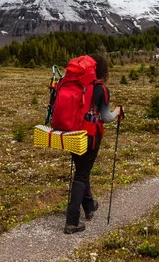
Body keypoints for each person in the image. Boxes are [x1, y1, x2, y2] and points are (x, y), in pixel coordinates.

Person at [64, 54, 122, 234]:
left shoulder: (77, 85)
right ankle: (72, 222)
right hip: (90, 136)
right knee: (82, 174)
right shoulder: (101, 89)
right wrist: (117, 112)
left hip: (71, 133)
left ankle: (89, 207)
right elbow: (105, 118)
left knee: (81, 170)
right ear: (102, 69)